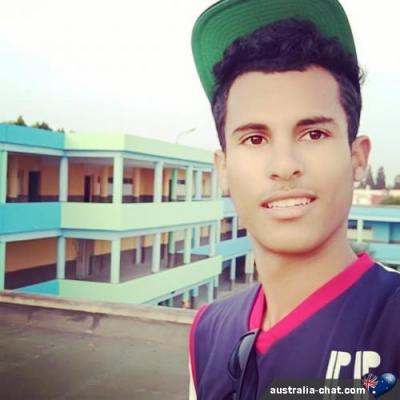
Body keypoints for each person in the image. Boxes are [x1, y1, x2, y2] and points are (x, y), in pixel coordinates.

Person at [188, 0, 400, 399]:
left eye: (314, 134)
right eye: (255, 138)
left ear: (357, 158)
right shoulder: (207, 333)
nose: (284, 165)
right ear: (224, 168)